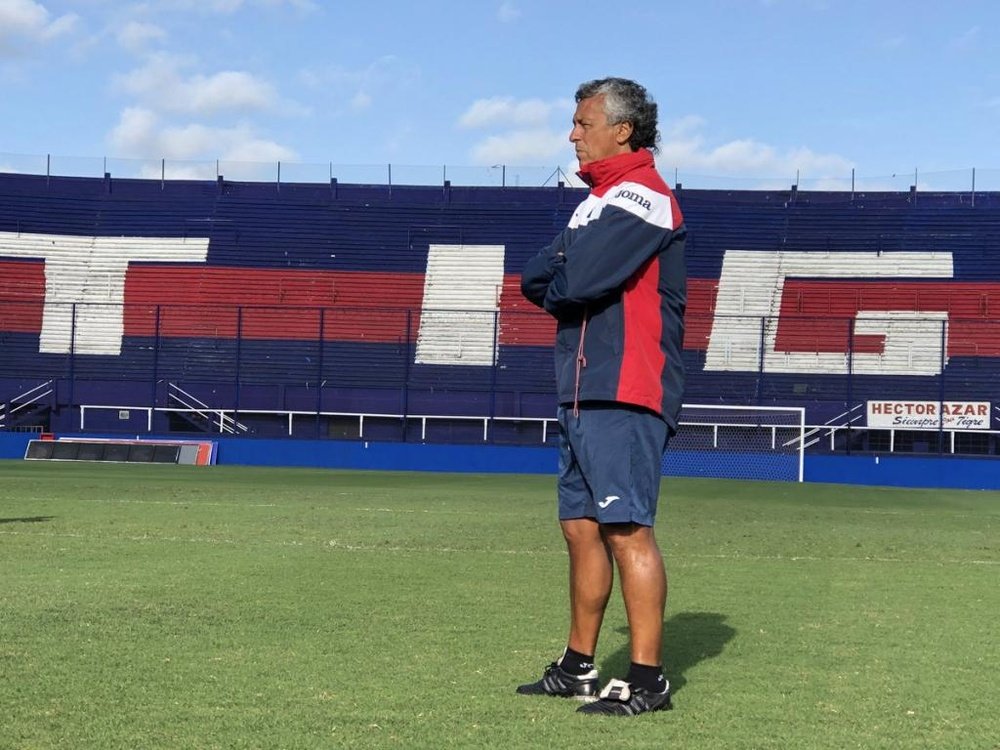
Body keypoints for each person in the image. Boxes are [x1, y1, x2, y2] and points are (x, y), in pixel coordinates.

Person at [517, 77, 686, 717]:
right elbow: (538, 278)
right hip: (584, 388)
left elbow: (576, 280)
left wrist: (570, 276)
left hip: (627, 385)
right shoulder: (596, 203)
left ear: (622, 129)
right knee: (579, 527)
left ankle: (647, 681)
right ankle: (577, 667)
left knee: (626, 530)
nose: (572, 133)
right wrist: (569, 276)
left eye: (583, 122)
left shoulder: (645, 197)